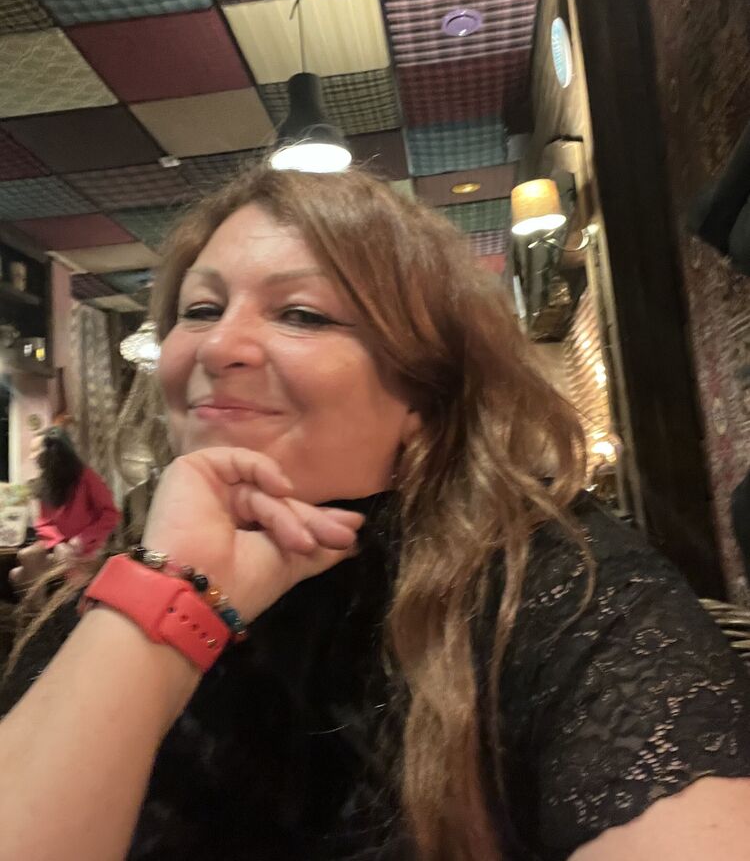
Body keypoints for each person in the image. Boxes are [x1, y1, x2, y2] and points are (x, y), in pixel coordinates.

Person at [0, 165, 749, 861]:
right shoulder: (105, 603)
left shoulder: (558, 584)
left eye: (301, 314)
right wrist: (170, 597)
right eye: (200, 309)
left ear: (422, 392)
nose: (218, 344)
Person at [9, 428, 120, 592]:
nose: (32, 458)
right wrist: (58, 543)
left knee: (22, 574)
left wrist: (82, 539)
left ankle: (62, 600)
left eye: (36, 451)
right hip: (58, 545)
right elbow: (43, 523)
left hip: (86, 546)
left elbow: (110, 514)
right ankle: (38, 605)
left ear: (54, 451)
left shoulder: (86, 477)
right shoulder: (46, 482)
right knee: (22, 562)